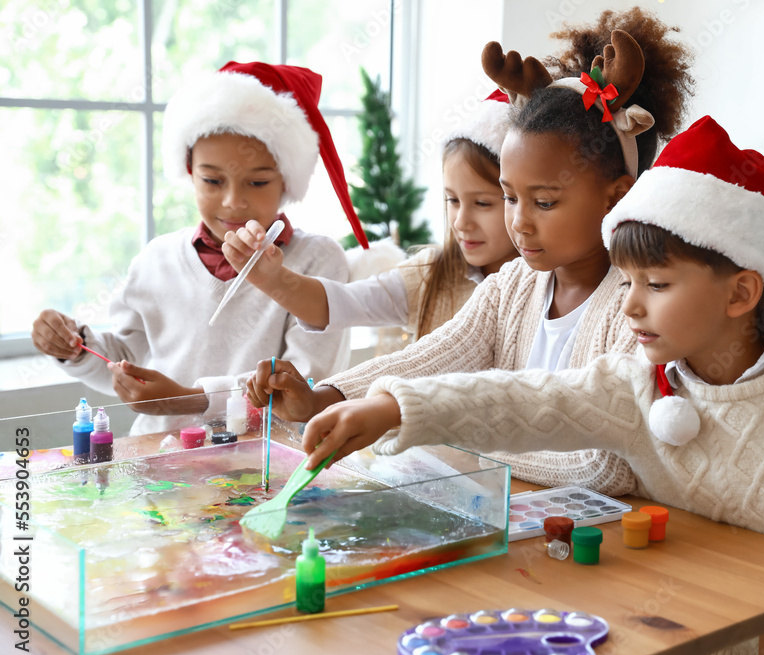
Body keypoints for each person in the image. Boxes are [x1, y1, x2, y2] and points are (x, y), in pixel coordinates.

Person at [296, 116, 764, 655]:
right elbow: (521, 399)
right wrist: (391, 405)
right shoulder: (637, 381)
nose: (629, 306)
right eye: (626, 281)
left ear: (741, 293)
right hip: (713, 636)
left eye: (655, 285)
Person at [246, 8, 695, 496]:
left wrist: (434, 425)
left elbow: (604, 466)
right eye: (508, 195)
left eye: (544, 201)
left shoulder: (636, 307)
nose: (518, 221)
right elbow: (434, 358)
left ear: (615, 196)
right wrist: (324, 399)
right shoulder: (514, 286)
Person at [29, 61, 368, 432]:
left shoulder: (316, 261)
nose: (233, 202)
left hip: (264, 472)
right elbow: (127, 359)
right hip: (159, 469)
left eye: (257, 183)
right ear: (190, 171)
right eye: (212, 180)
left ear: (287, 180)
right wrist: (75, 345)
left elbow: (304, 385)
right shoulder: (156, 260)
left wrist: (191, 398)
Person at [221, 91, 519, 341]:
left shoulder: (548, 290)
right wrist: (273, 279)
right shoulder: (431, 276)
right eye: (452, 200)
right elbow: (343, 303)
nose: (460, 222)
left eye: (482, 203)